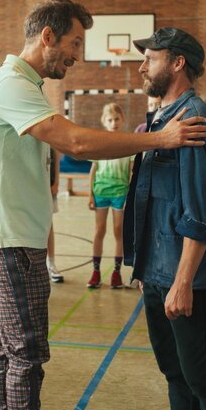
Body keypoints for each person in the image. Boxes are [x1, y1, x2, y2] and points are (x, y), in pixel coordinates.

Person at [0, 0, 206, 410]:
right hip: (9, 239)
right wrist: (159, 139)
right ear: (47, 37)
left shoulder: (22, 85)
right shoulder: (10, 84)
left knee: (5, 348)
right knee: (26, 353)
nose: (78, 55)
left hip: (10, 237)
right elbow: (76, 141)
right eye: (75, 43)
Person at [124, 27, 206, 410]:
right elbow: (152, 203)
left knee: (203, 378)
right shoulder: (162, 121)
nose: (141, 67)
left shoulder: (195, 119)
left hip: (192, 279)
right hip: (158, 273)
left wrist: (182, 281)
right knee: (175, 373)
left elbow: (202, 213)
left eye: (149, 58)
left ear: (177, 63)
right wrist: (147, 269)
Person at [87, 103, 132, 289]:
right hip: (101, 192)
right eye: (110, 120)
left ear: (122, 120)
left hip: (120, 192)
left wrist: (130, 195)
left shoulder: (128, 143)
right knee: (99, 231)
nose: (113, 123)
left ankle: (116, 272)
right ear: (104, 122)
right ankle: (96, 271)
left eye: (117, 119)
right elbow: (93, 170)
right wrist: (90, 195)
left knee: (118, 231)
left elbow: (131, 172)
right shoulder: (100, 142)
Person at [46, 147, 64, 283]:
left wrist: (56, 182)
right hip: (31, 186)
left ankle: (51, 264)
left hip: (48, 186)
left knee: (48, 225)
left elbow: (56, 158)